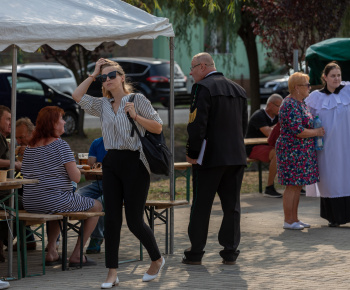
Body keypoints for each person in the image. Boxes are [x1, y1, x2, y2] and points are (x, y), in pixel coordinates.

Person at [72, 58, 165, 288]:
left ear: (122, 77)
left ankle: (157, 259)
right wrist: (93, 73)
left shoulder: (137, 99)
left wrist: (136, 116)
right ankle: (111, 273)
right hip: (111, 162)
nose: (108, 79)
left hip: (135, 162)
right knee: (112, 219)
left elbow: (158, 127)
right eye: (105, 77)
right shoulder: (103, 104)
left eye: (112, 75)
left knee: (134, 221)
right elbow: (76, 95)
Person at [183, 52, 248, 265]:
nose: (190, 72)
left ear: (203, 66)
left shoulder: (202, 88)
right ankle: (230, 251)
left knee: (201, 205)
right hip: (236, 157)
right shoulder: (239, 90)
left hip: (209, 158)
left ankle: (196, 252)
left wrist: (192, 153)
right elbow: (243, 126)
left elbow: (197, 125)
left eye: (192, 67)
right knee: (232, 206)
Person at [21, 106, 102, 266]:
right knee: (97, 206)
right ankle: (77, 255)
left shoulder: (30, 147)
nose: (64, 122)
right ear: (53, 124)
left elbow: (25, 171)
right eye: (61, 119)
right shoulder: (60, 145)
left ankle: (51, 252)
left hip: (30, 202)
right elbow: (76, 178)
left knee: (58, 205)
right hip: (53, 200)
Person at [276, 72, 325, 230]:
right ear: (297, 88)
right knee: (291, 186)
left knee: (297, 186)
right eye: (307, 85)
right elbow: (298, 130)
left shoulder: (301, 103)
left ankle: (294, 219)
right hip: (291, 151)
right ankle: (288, 220)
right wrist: (316, 133)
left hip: (300, 151)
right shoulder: (289, 104)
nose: (309, 88)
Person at [305, 62, 350, 227]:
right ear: (325, 77)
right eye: (333, 76)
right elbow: (307, 119)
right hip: (327, 148)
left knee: (347, 177)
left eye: (339, 75)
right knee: (331, 180)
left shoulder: (348, 91)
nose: (337, 78)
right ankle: (334, 217)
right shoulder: (315, 97)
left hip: (347, 144)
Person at [246, 94, 283, 198]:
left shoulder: (277, 116)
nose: (280, 109)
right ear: (270, 105)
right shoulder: (259, 115)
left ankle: (295, 184)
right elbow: (269, 133)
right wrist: (279, 126)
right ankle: (269, 188)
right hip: (253, 147)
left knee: (291, 150)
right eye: (278, 106)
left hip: (268, 146)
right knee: (278, 153)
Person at [0, 106, 23, 262]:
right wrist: (14, 164)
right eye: (7, 119)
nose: (11, 123)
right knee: (34, 203)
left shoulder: (3, 139)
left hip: (7, 192)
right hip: (3, 194)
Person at [76, 137, 107, 254]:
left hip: (118, 186)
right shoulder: (97, 143)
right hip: (98, 183)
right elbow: (89, 174)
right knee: (77, 195)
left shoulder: (121, 143)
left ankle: (96, 238)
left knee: (99, 202)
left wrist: (99, 168)